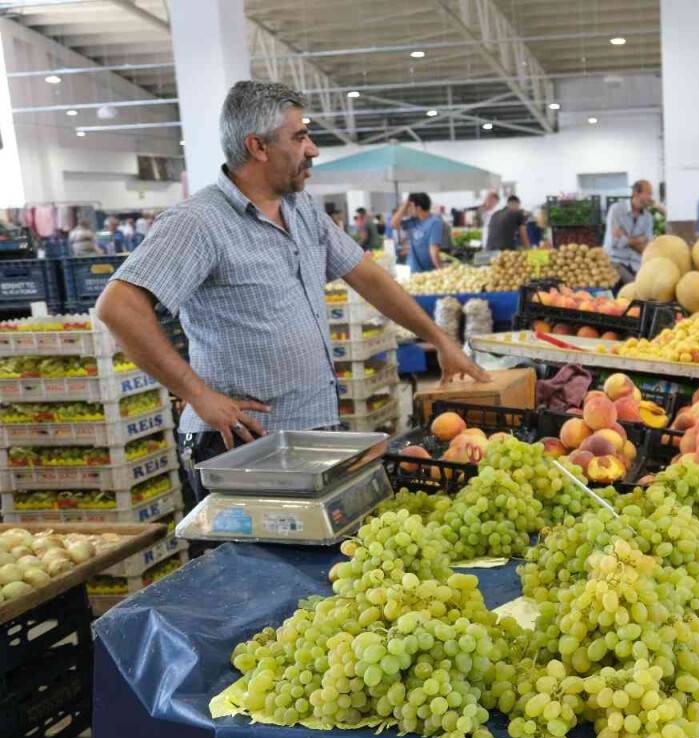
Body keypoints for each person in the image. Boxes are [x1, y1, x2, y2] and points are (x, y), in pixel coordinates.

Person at [94, 80, 487, 487]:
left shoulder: (301, 209)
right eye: (299, 137)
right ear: (258, 147)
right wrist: (198, 395)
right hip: (242, 445)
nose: (313, 149)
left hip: (312, 434)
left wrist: (439, 339)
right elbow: (118, 308)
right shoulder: (199, 222)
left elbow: (366, 275)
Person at [605, 179, 654, 283]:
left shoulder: (648, 217)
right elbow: (614, 242)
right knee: (634, 287)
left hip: (636, 263)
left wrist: (625, 237)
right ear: (636, 193)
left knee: (649, 285)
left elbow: (647, 247)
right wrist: (640, 239)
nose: (650, 198)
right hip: (615, 260)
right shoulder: (616, 210)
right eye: (648, 194)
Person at [392, 192, 447, 273]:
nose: (409, 209)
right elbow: (394, 224)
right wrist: (406, 204)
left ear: (418, 208)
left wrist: (441, 271)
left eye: (410, 206)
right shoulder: (413, 221)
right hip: (412, 270)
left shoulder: (435, 222)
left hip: (427, 272)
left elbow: (434, 252)